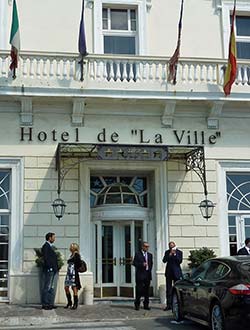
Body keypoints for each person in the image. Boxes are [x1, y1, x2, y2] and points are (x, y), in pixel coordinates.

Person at [132, 241, 153, 311]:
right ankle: (137, 304)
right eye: (146, 246)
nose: (147, 248)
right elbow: (134, 263)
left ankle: (146, 305)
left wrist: (149, 270)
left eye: (148, 247)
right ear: (142, 247)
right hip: (140, 274)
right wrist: (142, 264)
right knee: (139, 290)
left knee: (147, 291)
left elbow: (151, 264)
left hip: (147, 275)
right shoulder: (138, 254)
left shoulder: (150, 255)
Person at [162, 241, 183, 311]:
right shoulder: (167, 252)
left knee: (177, 289)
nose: (171, 248)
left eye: (172, 246)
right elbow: (164, 260)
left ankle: (177, 304)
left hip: (176, 273)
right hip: (169, 273)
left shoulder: (179, 252)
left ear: (175, 246)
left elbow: (179, 261)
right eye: (170, 246)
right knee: (169, 289)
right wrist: (170, 254)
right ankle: (169, 305)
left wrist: (174, 255)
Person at [41, 232, 59, 310]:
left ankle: (50, 303)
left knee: (51, 287)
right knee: (47, 287)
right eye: (53, 237)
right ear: (49, 238)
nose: (54, 239)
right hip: (49, 270)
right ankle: (45, 304)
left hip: (53, 270)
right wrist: (50, 267)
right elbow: (46, 258)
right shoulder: (46, 246)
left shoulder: (50, 246)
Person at [64, 243, 82, 310]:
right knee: (66, 287)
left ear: (74, 248)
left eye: (71, 246)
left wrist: (75, 267)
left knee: (74, 288)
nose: (70, 247)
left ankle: (75, 304)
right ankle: (69, 302)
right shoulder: (71, 255)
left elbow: (79, 264)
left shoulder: (76, 255)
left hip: (74, 274)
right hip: (69, 274)